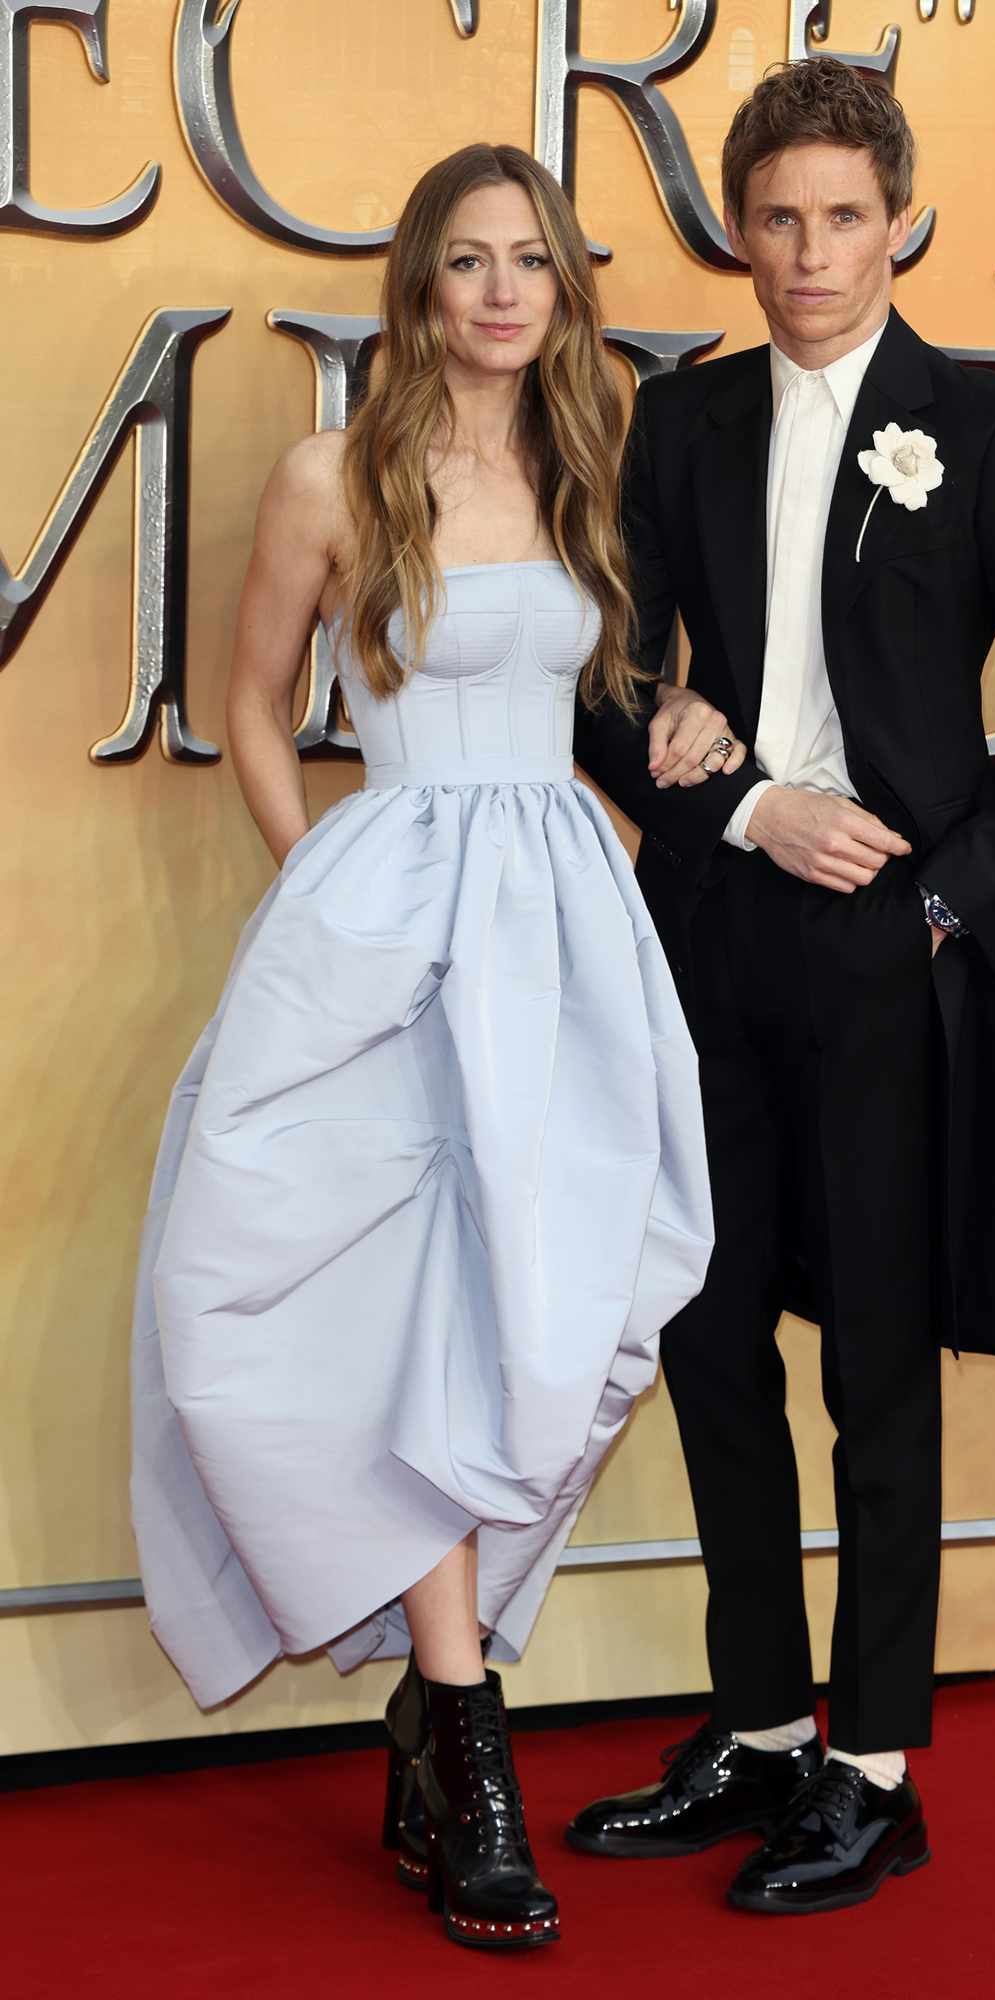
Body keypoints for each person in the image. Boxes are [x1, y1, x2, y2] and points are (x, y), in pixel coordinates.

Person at [129, 141, 743, 1955]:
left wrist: (643, 799)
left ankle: (437, 1729)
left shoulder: (597, 465)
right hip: (381, 919)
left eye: (530, 262)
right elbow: (252, 700)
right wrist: (317, 876)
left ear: (562, 288)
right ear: (422, 280)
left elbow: (622, 703)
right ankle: (466, 1740)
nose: (499, 291)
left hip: (555, 925)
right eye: (468, 259)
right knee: (370, 1297)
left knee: (523, 1302)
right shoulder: (334, 471)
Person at [568, 57, 995, 1916]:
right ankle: (756, 1733)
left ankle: (875, 1767)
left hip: (894, 953)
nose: (807, 253)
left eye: (841, 216)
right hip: (714, 935)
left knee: (877, 1374)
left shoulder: (978, 426)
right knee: (713, 1343)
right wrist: (728, 791)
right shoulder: (678, 424)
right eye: (775, 218)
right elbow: (598, 682)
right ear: (736, 230)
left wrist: (943, 907)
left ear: (898, 221)